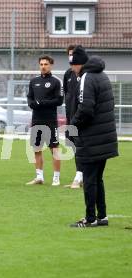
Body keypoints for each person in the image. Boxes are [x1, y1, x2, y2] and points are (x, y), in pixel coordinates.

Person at [69, 54, 118, 228]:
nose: (72, 68)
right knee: (98, 178)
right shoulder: (102, 76)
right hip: (105, 136)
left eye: (73, 65)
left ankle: (90, 219)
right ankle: (102, 216)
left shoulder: (86, 78)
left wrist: (72, 126)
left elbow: (86, 109)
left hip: (92, 138)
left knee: (89, 180)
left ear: (79, 64)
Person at [26, 55, 63, 186]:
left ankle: (56, 178)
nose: (43, 66)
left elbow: (59, 100)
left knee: (54, 149)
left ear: (51, 65)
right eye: (41, 64)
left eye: (46, 64)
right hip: (36, 119)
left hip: (50, 120)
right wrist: (32, 104)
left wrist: (42, 103)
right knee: (37, 148)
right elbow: (30, 98)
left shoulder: (56, 82)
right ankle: (39, 177)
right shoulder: (33, 81)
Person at [63, 45, 88, 189]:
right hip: (71, 117)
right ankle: (81, 176)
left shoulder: (86, 75)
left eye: (74, 55)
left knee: (82, 147)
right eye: (70, 55)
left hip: (81, 119)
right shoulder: (68, 74)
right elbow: (68, 96)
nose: (72, 57)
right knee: (74, 147)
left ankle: (79, 178)